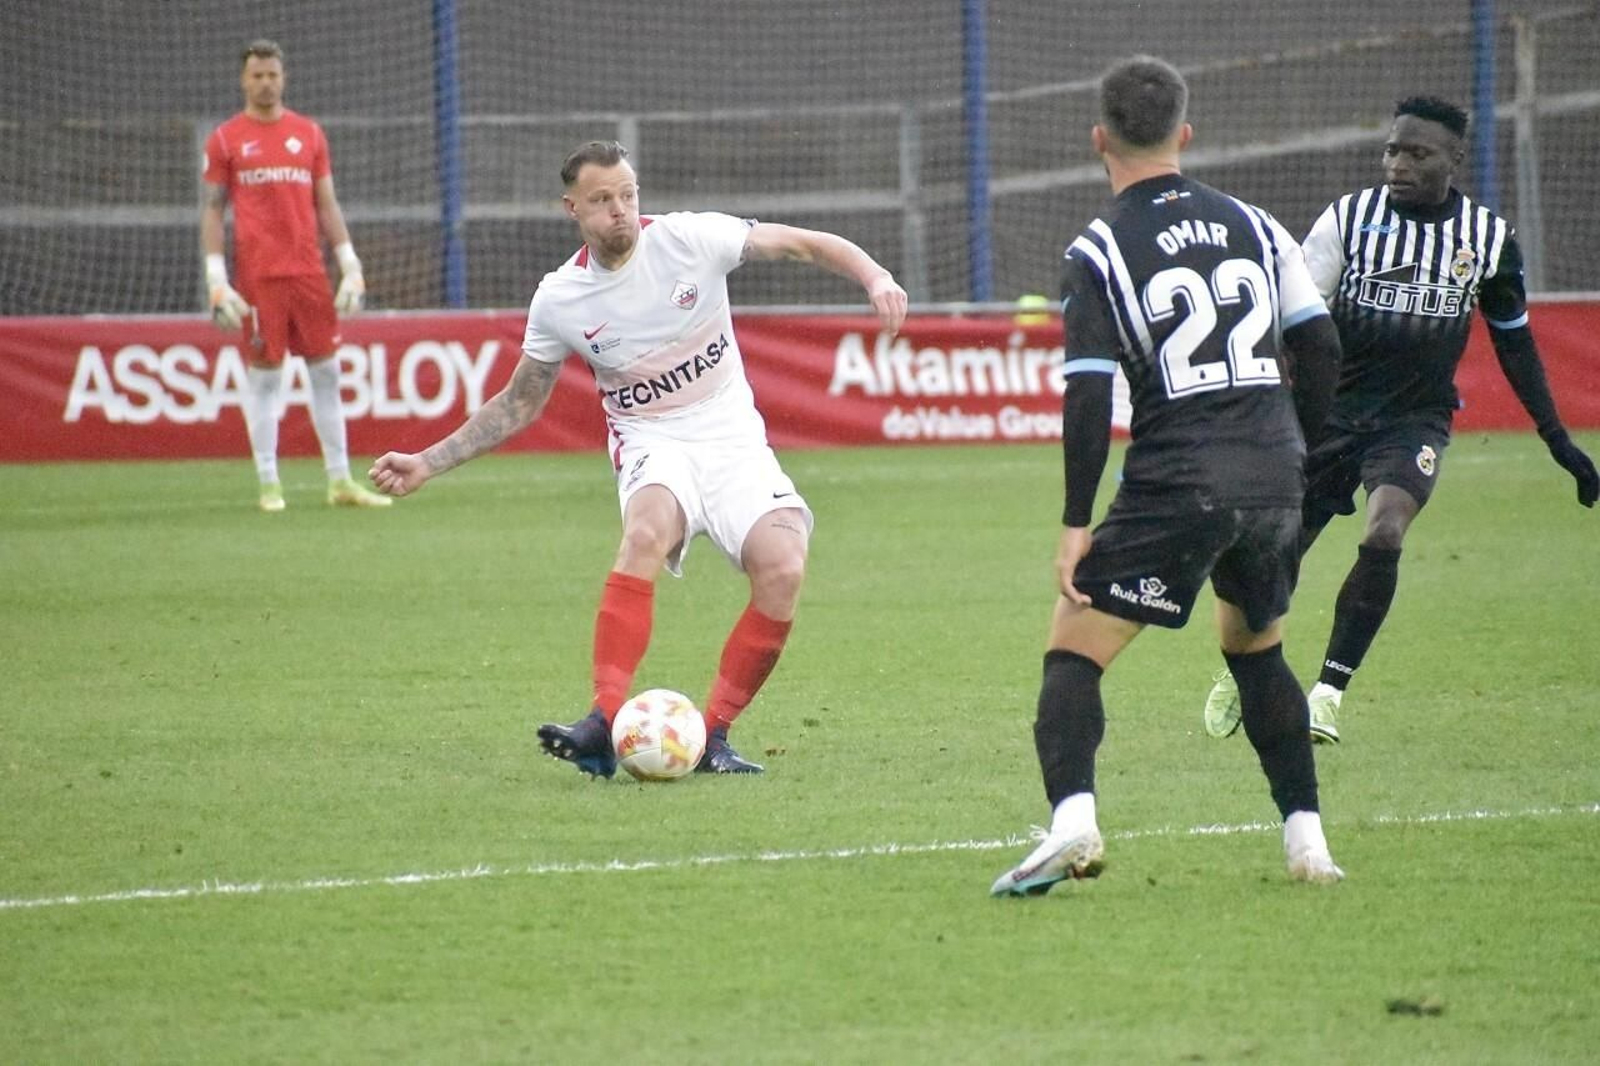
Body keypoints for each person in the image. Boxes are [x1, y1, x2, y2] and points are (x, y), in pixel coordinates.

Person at [368, 140, 907, 776]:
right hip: (652, 440)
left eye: (628, 194)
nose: (619, 210)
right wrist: (428, 462)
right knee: (646, 532)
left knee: (784, 568)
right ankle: (602, 721)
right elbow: (520, 401)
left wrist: (875, 275)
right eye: (602, 200)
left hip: (732, 438)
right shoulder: (561, 299)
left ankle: (711, 738)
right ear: (572, 208)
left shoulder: (690, 240)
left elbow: (804, 243)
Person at [991, 55, 1346, 897]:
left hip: (1180, 476)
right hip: (1274, 473)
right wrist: (1298, 453)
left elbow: (1086, 394)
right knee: (1256, 649)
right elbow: (1322, 347)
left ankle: (1073, 824)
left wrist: (1076, 523)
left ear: (1098, 140)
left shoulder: (1099, 246)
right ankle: (1308, 846)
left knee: (1073, 651)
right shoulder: (1258, 224)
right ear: (1186, 134)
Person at [1201, 95, 1598, 745]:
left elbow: (1515, 342)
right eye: (1392, 150)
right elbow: (1290, 324)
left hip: (1412, 421)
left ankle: (1327, 695)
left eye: (1418, 153)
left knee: (1385, 531)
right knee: (1265, 563)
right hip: (1325, 416)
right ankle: (1248, 669)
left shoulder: (1487, 241)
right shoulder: (1347, 221)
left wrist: (1558, 439)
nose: (1399, 164)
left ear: (1454, 159)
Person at [202, 38, 391, 512]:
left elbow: (326, 204)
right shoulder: (226, 138)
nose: (266, 82)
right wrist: (215, 279)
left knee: (326, 374)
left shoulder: (308, 133)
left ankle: (340, 481)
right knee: (266, 380)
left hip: (309, 274)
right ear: (244, 79)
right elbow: (211, 210)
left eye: (272, 74)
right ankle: (269, 483)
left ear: (283, 78)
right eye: (257, 74)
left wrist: (350, 265)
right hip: (260, 279)